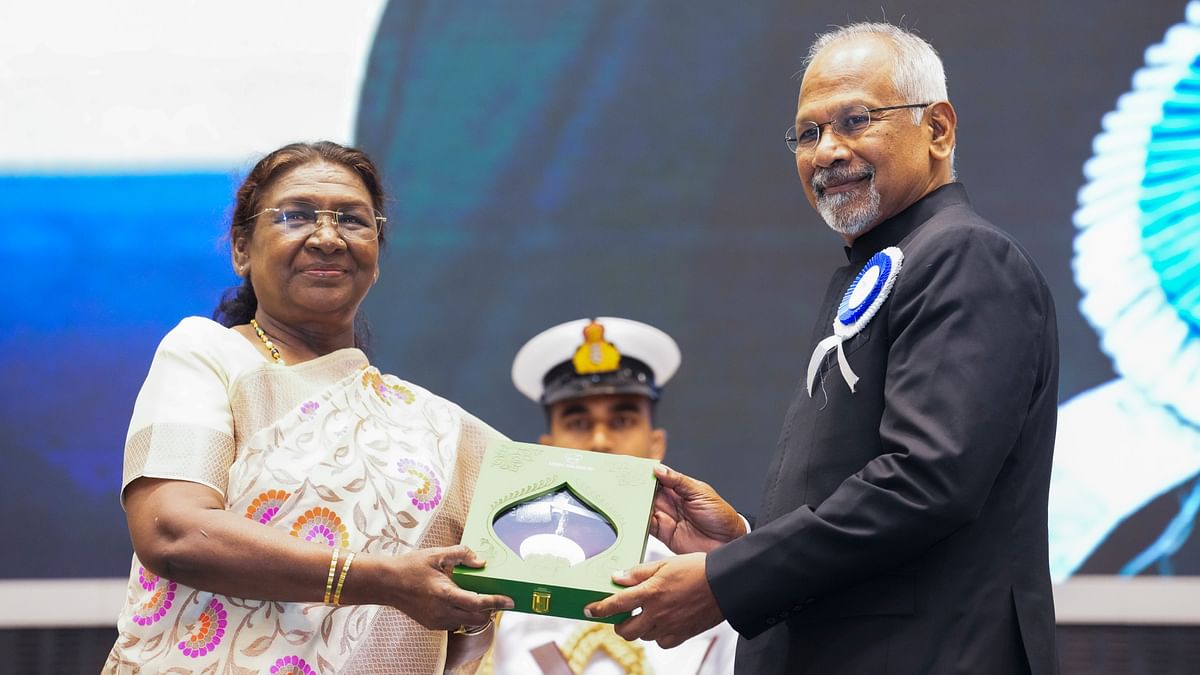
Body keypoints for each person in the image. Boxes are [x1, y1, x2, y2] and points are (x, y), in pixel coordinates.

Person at [585, 23, 1060, 675]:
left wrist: (727, 578)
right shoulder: (889, 264)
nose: (827, 151)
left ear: (939, 130)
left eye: (855, 120)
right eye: (808, 133)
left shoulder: (964, 256)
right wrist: (746, 540)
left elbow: (926, 480)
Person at [104, 141, 514, 675]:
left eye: (352, 220)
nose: (327, 238)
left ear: (376, 256)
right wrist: (379, 581)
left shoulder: (436, 425)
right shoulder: (208, 355)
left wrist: (650, 509)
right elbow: (172, 532)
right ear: (242, 249)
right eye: (295, 216)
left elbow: (560, 518)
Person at [480, 317, 737, 675]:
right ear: (548, 447)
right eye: (579, 423)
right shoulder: (500, 569)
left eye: (621, 421)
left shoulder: (706, 568)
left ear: (655, 445)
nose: (600, 440)